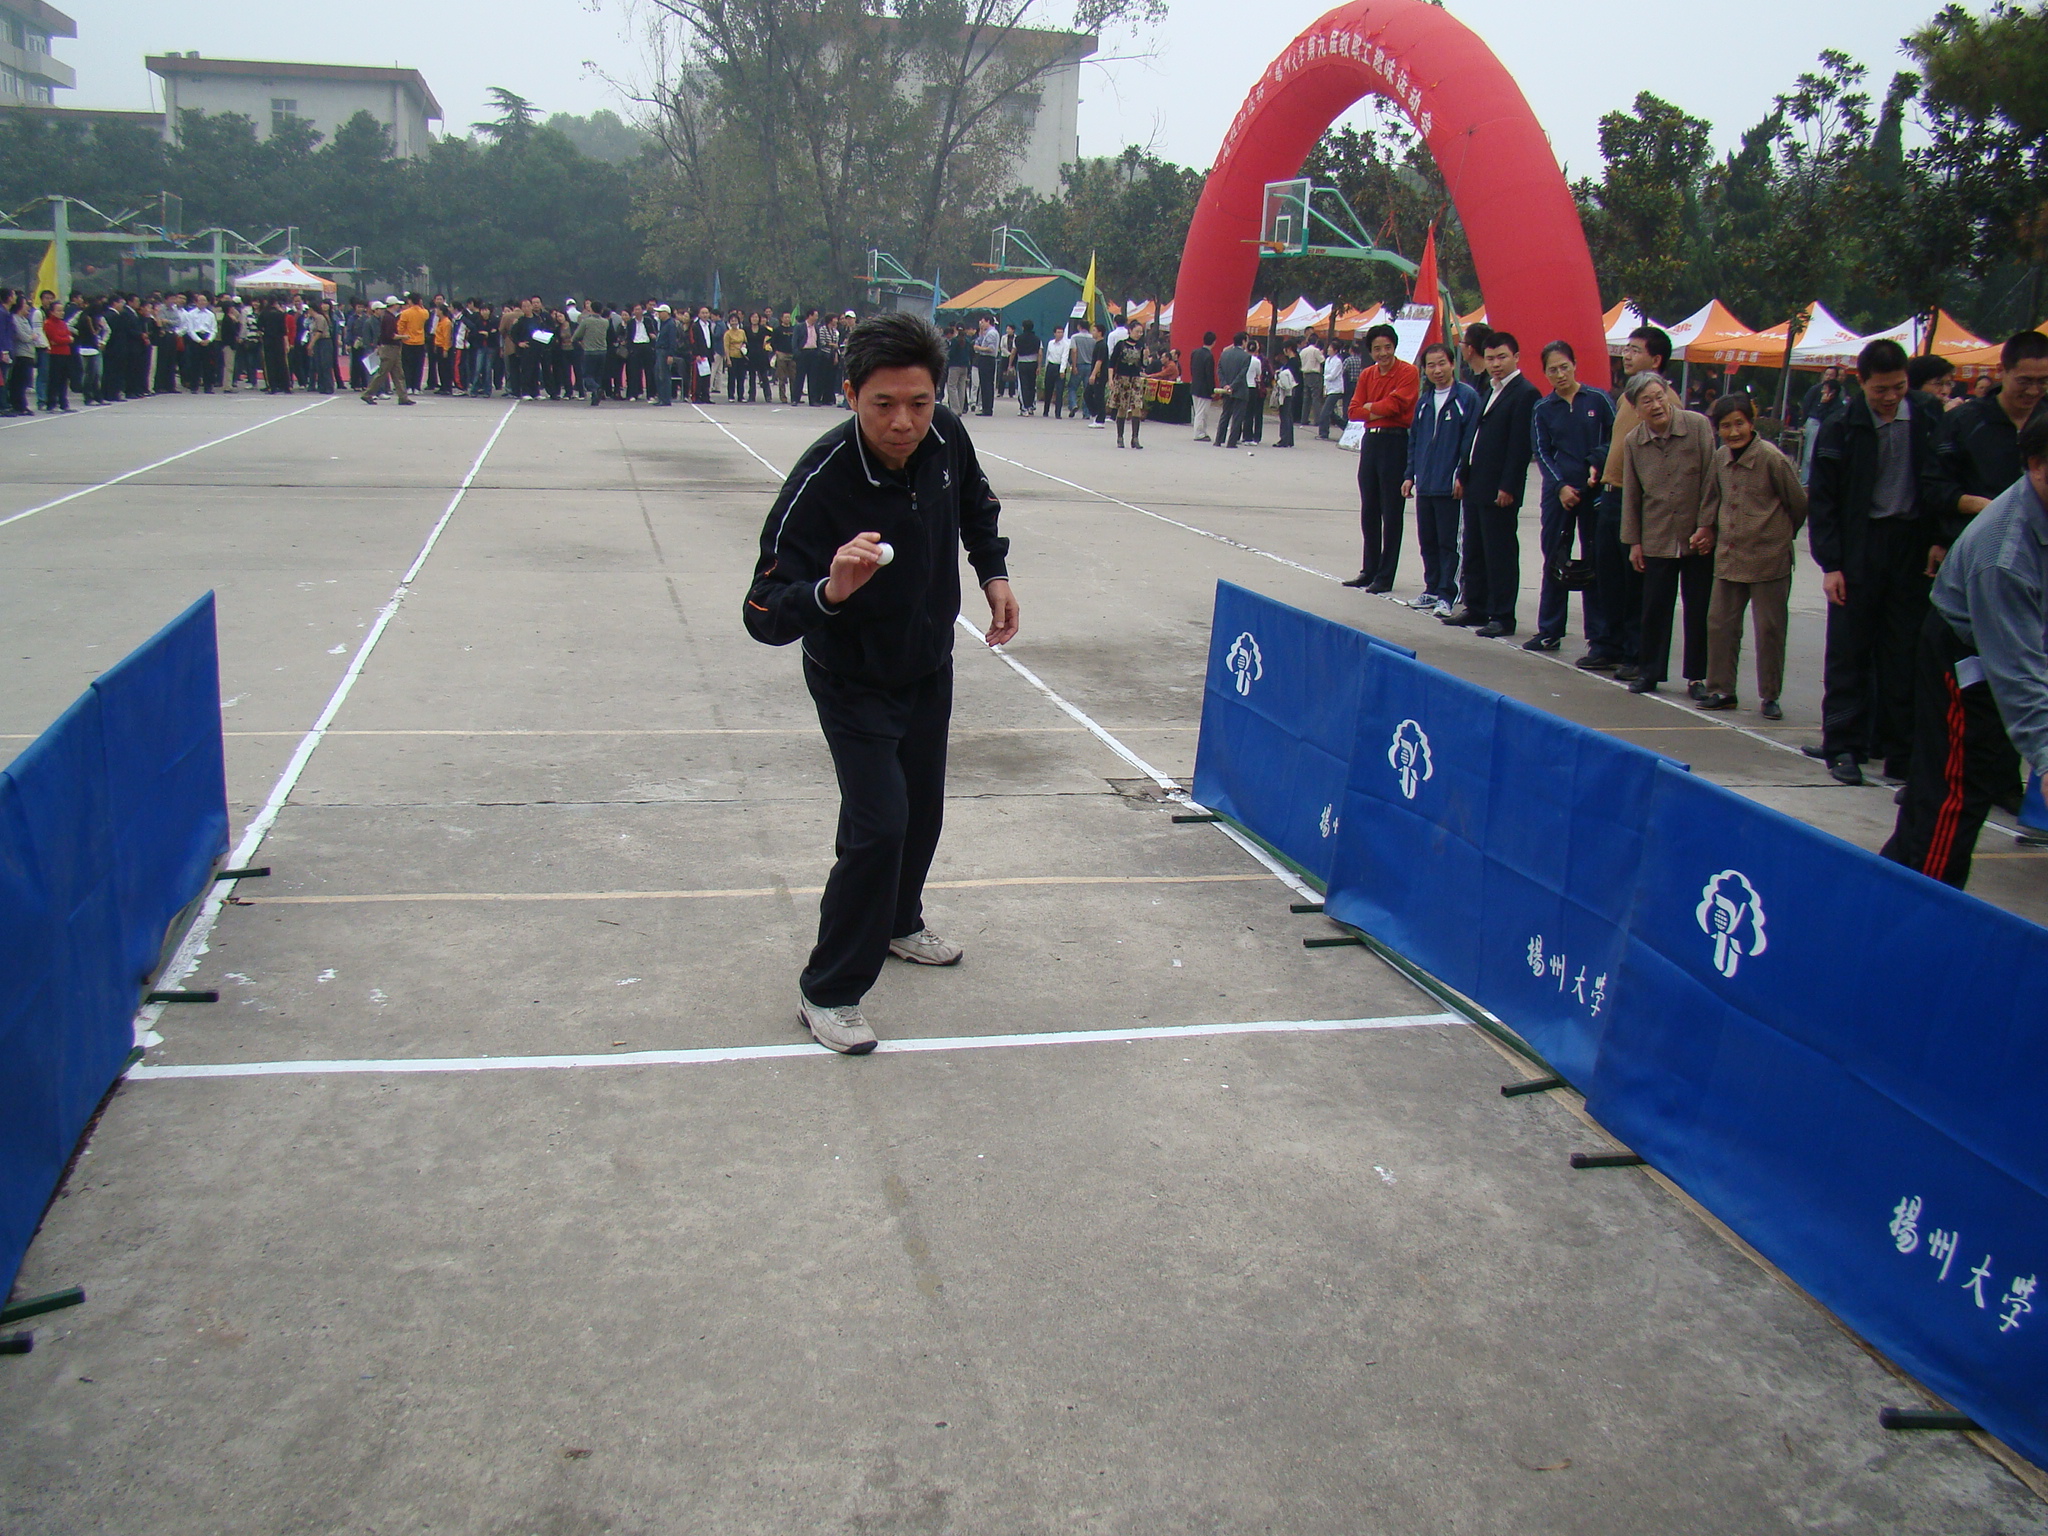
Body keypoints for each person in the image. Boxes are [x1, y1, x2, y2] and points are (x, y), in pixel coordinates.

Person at [742, 312, 1017, 1054]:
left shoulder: (945, 437)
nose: (903, 423)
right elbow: (761, 610)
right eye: (883, 405)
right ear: (851, 395)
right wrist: (829, 591)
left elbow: (975, 505)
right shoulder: (823, 480)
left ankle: (898, 922)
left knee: (921, 813)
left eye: (919, 403)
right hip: (852, 679)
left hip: (928, 664)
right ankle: (828, 990)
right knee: (881, 827)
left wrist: (992, 574)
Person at [1881, 415, 2048, 887]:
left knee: (1955, 789)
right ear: (2036, 464)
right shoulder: (2003, 555)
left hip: (2015, 647)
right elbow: (2016, 670)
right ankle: (1925, 909)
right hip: (1966, 661)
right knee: (1951, 800)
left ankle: (1884, 892)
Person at [1804, 337, 1944, 785]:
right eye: (1880, 389)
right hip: (1859, 545)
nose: (1890, 397)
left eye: (1898, 387)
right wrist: (1831, 565)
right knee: (1849, 650)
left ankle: (1900, 750)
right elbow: (1823, 500)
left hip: (1910, 546)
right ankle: (1843, 745)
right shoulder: (1842, 426)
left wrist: (1939, 539)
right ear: (1861, 382)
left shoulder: (1926, 417)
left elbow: (1940, 481)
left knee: (1904, 651)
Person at [1697, 394, 1808, 717]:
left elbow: (1798, 504)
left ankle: (1770, 695)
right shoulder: (1720, 458)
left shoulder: (1772, 458)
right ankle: (1721, 689)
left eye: (1739, 424)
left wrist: (1779, 536)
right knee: (1720, 625)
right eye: (1725, 426)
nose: (1733, 432)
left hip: (1769, 560)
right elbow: (1711, 498)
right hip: (1729, 557)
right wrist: (1706, 528)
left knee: (1770, 630)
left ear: (1751, 423)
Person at [1620, 372, 1715, 695]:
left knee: (1699, 607)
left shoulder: (1698, 426)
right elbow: (1632, 495)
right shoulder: (1634, 441)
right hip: (1656, 535)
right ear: (1636, 409)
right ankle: (1650, 672)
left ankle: (1697, 677)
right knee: (1655, 608)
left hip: (1697, 535)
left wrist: (1706, 525)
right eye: (1647, 401)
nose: (1656, 405)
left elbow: (1711, 479)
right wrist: (1634, 542)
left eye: (1659, 396)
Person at [1926, 330, 2048, 575]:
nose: (2033, 391)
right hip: (1975, 549)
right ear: (2002, 371)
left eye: (2043, 381)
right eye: (2024, 381)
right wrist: (1978, 506)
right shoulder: (1963, 421)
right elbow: (1933, 486)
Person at [1444, 331, 1537, 636]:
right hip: (1476, 483)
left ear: (1516, 357)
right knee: (1474, 548)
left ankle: (1502, 614)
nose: (1496, 364)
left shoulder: (1524, 393)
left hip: (1499, 487)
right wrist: (1463, 473)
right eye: (1491, 358)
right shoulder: (1489, 388)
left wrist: (1508, 486)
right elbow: (1475, 436)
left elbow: (1519, 447)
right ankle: (1476, 606)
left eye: (1502, 357)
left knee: (1499, 552)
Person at [1526, 340, 1615, 652]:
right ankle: (1549, 629)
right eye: (1553, 370)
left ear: (1575, 365)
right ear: (1545, 374)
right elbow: (1541, 451)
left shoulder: (1599, 400)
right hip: (1558, 493)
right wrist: (1560, 486)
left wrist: (1596, 464)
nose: (1560, 374)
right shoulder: (1543, 409)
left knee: (1595, 559)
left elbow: (1614, 439)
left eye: (1564, 367)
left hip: (1594, 489)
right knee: (1555, 557)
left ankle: (1599, 637)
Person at [1592, 326, 1665, 675]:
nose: (1627, 355)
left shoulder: (1664, 402)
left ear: (1656, 359)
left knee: (1634, 581)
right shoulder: (1625, 398)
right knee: (1609, 577)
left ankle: (1636, 654)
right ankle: (1610, 645)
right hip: (1609, 494)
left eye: (1636, 350)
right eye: (1627, 348)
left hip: (1635, 500)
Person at [1403, 341, 1481, 615]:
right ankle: (1432, 588)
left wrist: (1462, 474)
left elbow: (1470, 441)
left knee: (1450, 543)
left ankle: (1448, 594)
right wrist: (1410, 475)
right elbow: (1414, 440)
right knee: (1428, 540)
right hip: (1426, 483)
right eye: (1431, 365)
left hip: (1450, 486)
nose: (1437, 370)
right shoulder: (1424, 401)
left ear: (1453, 364)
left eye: (1442, 364)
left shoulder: (1466, 398)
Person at [1342, 324, 1419, 591]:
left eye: (1387, 347)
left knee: (1392, 510)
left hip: (1395, 441)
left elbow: (1398, 405)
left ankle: (1386, 575)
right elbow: (1353, 411)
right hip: (1371, 441)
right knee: (1370, 509)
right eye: (1377, 349)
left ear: (1394, 347)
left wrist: (1371, 408)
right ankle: (1369, 569)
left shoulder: (1408, 372)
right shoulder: (1367, 374)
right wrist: (1378, 410)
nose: (1383, 353)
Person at [1107, 321, 1148, 448]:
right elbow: (1112, 363)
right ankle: (1120, 437)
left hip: (1135, 379)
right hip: (1122, 378)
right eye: (1137, 331)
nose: (1139, 334)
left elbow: (1143, 364)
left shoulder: (1141, 346)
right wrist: (1110, 379)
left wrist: (1146, 357)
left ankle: (1135, 438)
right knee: (1122, 407)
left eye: (1141, 332)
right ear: (1130, 331)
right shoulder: (1121, 345)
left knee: (1137, 406)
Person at [1213, 331, 1251, 448]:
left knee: (1225, 414)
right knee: (1237, 417)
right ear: (1243, 341)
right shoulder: (1246, 356)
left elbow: (1219, 370)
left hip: (1226, 390)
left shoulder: (1225, 354)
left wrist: (1225, 384)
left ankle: (1219, 439)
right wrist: (1233, 386)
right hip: (1240, 390)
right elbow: (1242, 374)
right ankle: (1232, 441)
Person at [1189, 329, 1218, 440]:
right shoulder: (1209, 356)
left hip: (1195, 385)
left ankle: (1202, 431)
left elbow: (1192, 368)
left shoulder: (1195, 353)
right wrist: (1212, 389)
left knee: (1198, 410)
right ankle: (1199, 433)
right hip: (1204, 388)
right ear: (1214, 342)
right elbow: (1209, 374)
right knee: (1202, 412)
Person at [1272, 341, 1299, 448]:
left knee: (1285, 414)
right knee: (1288, 414)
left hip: (1287, 390)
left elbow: (1287, 376)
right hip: (1291, 390)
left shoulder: (1293, 362)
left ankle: (1284, 439)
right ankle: (1289, 439)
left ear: (1288, 349)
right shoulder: (1294, 361)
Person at [1298, 336, 1325, 435]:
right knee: (1315, 397)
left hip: (1305, 374)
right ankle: (1317, 419)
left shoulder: (1303, 351)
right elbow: (1322, 361)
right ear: (1316, 342)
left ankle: (1304, 418)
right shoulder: (1316, 351)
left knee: (1306, 398)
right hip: (1314, 374)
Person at [1041, 324, 1067, 420]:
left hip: (1059, 367)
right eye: (1058, 332)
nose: (1060, 334)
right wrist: (1046, 367)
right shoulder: (1050, 343)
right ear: (1054, 333)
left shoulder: (1065, 344)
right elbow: (1047, 355)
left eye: (1062, 332)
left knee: (1059, 390)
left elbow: (1064, 357)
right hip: (1051, 366)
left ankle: (1058, 413)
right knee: (1048, 389)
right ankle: (1046, 410)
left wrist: (1062, 370)